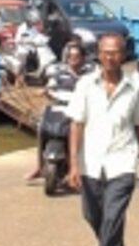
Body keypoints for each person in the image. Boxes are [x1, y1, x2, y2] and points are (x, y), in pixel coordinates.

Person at [66, 34, 139, 246]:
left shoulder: (135, 90)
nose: (109, 57)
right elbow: (76, 124)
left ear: (123, 55)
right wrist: (72, 164)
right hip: (90, 161)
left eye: (115, 52)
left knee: (113, 215)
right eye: (105, 52)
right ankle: (112, 241)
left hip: (122, 160)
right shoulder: (85, 85)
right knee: (92, 214)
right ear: (98, 55)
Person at [25, 42, 92, 181]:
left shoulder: (89, 75)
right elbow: (51, 86)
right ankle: (39, 166)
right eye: (70, 57)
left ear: (83, 58)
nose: (73, 60)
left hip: (80, 110)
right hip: (60, 106)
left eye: (76, 56)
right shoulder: (59, 72)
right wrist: (45, 91)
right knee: (41, 128)